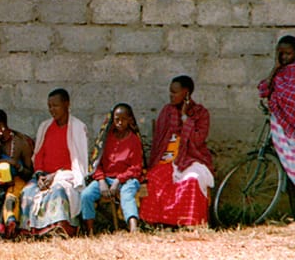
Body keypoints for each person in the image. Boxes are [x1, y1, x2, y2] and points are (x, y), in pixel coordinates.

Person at [140, 75, 214, 227]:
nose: (171, 96)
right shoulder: (167, 111)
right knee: (155, 179)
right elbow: (159, 141)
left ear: (186, 93)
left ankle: (189, 222)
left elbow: (198, 139)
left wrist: (185, 118)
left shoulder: (201, 113)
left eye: (175, 92)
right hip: (167, 159)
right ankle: (157, 223)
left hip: (191, 160)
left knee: (193, 180)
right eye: (170, 92)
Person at [258, 35, 295, 223]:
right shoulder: (280, 71)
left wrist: (276, 98)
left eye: (288, 53)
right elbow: (265, 88)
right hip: (282, 124)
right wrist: (275, 68)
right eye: (280, 54)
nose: (284, 57)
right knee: (289, 171)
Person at [19, 89, 89, 237]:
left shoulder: (77, 128)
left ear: (67, 104)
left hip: (67, 175)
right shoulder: (45, 127)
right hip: (44, 175)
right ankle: (31, 231)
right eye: (49, 106)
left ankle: (59, 229)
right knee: (27, 191)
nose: (52, 110)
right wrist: (39, 175)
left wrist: (56, 176)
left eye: (55, 106)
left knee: (57, 190)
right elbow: (38, 155)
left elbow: (79, 163)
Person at [81, 103, 145, 235]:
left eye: (123, 119)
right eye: (117, 119)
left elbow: (136, 168)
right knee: (86, 195)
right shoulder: (105, 139)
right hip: (106, 178)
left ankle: (133, 229)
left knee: (127, 195)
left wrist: (118, 180)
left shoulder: (133, 140)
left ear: (130, 120)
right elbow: (96, 162)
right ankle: (90, 231)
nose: (120, 122)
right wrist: (101, 181)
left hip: (127, 179)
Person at [0, 108, 34, 237]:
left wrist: (15, 164)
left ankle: (9, 228)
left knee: (10, 198)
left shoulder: (21, 143)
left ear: (0, 126)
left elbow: (29, 173)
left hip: (15, 183)